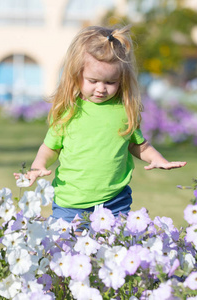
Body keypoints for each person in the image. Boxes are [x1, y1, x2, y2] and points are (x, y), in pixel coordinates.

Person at [14, 25, 186, 223]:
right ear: (76, 74)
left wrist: (157, 159)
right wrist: (38, 167)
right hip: (71, 204)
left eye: (110, 82)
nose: (101, 89)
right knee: (68, 250)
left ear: (121, 79)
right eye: (93, 80)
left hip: (115, 202)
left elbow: (136, 144)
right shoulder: (68, 111)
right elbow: (51, 147)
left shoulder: (123, 111)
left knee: (112, 252)